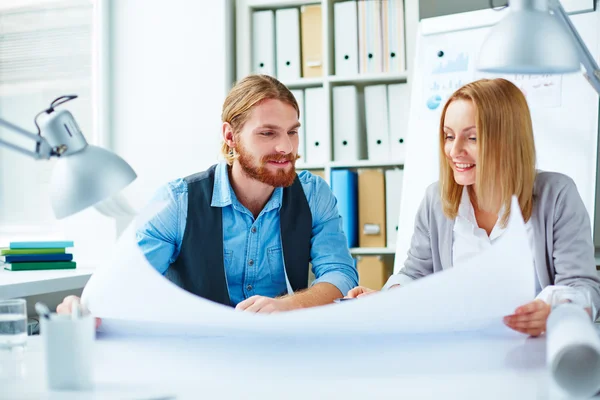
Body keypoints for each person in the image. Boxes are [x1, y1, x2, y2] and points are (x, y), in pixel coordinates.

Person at [57, 74, 358, 320]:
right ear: (230, 136)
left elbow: (340, 273)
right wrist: (85, 303)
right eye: (268, 133)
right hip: (196, 350)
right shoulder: (178, 203)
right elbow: (127, 281)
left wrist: (287, 306)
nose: (286, 147)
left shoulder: (313, 193)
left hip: (278, 348)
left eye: (292, 132)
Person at [347, 78, 600, 337]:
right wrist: (388, 299)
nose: (454, 150)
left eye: (472, 138)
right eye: (448, 136)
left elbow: (583, 287)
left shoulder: (556, 195)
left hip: (534, 356)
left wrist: (555, 310)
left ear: (507, 140)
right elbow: (415, 274)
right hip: (461, 351)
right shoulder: (436, 200)